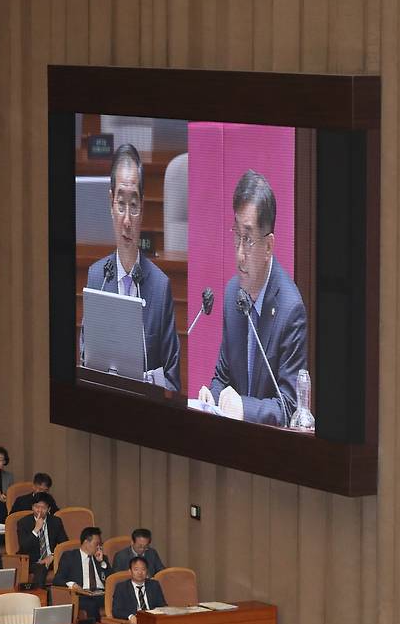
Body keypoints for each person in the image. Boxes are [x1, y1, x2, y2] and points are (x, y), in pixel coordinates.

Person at [198, 169, 308, 427]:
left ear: (269, 246)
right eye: (236, 234)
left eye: (247, 239)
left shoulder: (291, 310)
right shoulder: (232, 296)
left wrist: (244, 409)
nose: (238, 253)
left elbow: (291, 406)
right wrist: (210, 397)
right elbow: (222, 376)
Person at [85, 144, 181, 391]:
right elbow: (85, 365)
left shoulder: (160, 287)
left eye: (134, 206)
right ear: (110, 203)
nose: (127, 220)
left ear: (143, 207)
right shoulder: (97, 278)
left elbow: (172, 382)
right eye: (121, 204)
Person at [112, 556, 166, 624]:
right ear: (130, 571)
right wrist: (130, 616)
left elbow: (163, 605)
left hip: (152, 618)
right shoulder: (121, 587)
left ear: (147, 571)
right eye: (136, 569)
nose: (140, 572)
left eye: (143, 569)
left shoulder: (154, 585)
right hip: (134, 622)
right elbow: (116, 610)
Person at [52, 526, 111, 622]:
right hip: (82, 594)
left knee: (121, 599)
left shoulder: (102, 558)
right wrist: (72, 584)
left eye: (100, 545)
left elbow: (111, 580)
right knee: (91, 604)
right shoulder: (69, 557)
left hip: (100, 593)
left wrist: (102, 563)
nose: (99, 547)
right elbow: (57, 579)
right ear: (86, 542)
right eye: (96, 544)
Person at [16, 494, 67, 587]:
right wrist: (36, 530)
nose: (39, 510)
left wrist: (52, 556)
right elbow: (24, 547)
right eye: (36, 507)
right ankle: (40, 599)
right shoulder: (23, 523)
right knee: (41, 568)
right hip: (32, 561)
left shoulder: (56, 521)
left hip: (52, 559)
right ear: (32, 507)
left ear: (49, 509)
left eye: (43, 507)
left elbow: (64, 544)